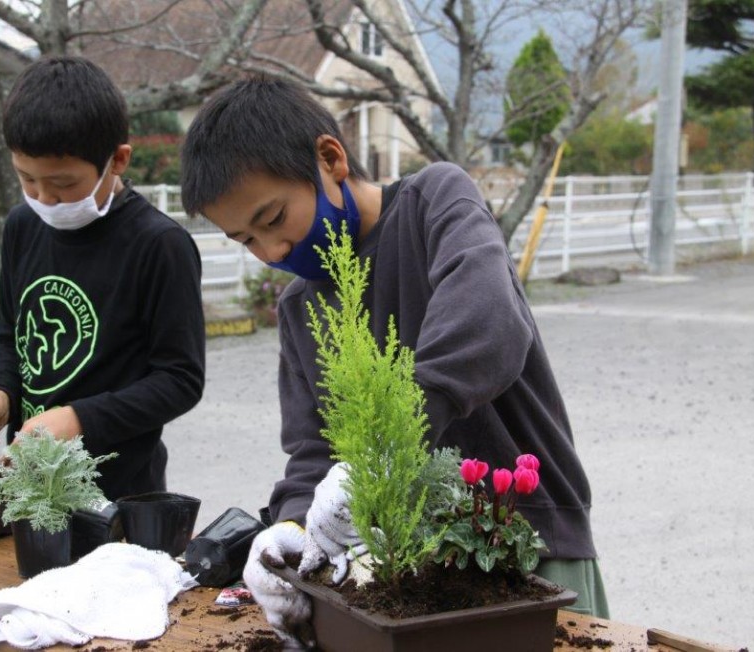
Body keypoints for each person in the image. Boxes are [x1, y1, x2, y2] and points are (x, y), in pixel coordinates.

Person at [179, 76, 608, 647]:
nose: (272, 251)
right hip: (397, 578)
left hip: (531, 547)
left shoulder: (435, 201)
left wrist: (383, 446)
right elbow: (315, 450)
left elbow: (490, 328)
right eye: (245, 240)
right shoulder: (300, 307)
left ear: (329, 158)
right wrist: (292, 525)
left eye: (274, 218)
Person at [0, 55, 206, 502]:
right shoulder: (22, 226)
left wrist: (78, 419)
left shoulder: (159, 244)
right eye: (27, 179)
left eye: (63, 184)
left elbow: (180, 379)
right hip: (27, 485)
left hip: (120, 494)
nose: (44, 198)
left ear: (118, 160)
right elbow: (13, 338)